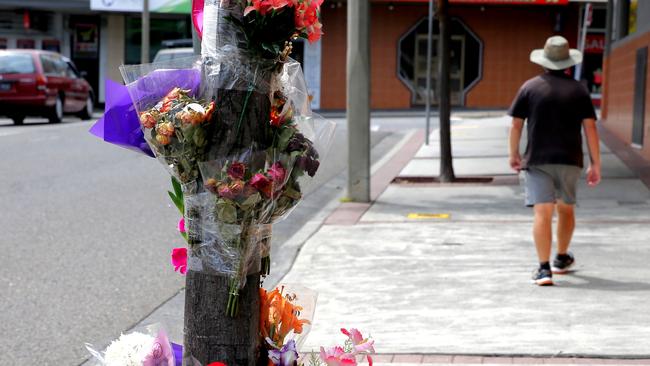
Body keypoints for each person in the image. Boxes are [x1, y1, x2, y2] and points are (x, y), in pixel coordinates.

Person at [508, 36, 601, 286]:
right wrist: (596, 163)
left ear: (544, 62)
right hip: (570, 159)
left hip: (537, 159)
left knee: (542, 212)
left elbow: (516, 124)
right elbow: (590, 128)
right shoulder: (579, 90)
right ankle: (561, 258)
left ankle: (543, 269)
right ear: (568, 64)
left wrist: (513, 154)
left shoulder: (529, 87)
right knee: (565, 209)